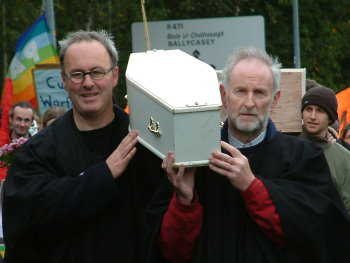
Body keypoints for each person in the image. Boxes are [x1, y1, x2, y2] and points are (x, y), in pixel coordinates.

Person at [149, 46, 350, 263]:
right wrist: (184, 200)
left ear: (274, 100)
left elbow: (319, 239)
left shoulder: (304, 157)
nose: (249, 102)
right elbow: (171, 251)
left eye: (260, 93)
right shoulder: (193, 159)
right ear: (224, 96)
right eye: (241, 91)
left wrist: (251, 186)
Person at [2, 30, 162, 263]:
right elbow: (27, 221)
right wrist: (103, 175)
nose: (88, 83)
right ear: (64, 81)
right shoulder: (38, 151)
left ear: (115, 75)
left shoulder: (145, 144)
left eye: (97, 72)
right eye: (77, 74)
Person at [300, 85, 350, 212]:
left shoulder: (344, 157)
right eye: (308, 109)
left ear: (330, 117)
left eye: (320, 111)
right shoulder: (287, 147)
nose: (312, 116)